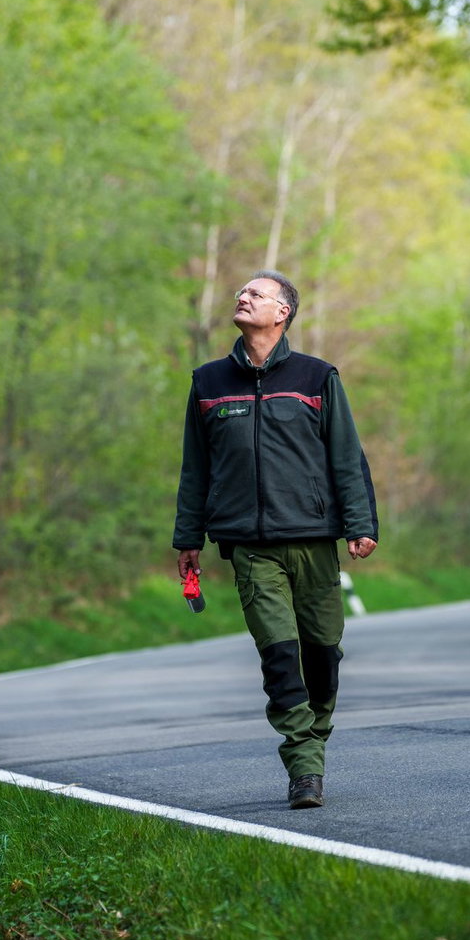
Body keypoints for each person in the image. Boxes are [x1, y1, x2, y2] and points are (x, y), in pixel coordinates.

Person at [173, 271, 378, 809]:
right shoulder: (209, 382)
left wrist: (360, 523)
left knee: (322, 655)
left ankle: (314, 741)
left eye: (256, 294)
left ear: (282, 311)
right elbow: (195, 468)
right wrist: (187, 537)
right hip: (248, 544)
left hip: (313, 540)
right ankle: (303, 765)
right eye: (241, 292)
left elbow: (346, 456)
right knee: (279, 655)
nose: (243, 297)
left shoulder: (316, 376)